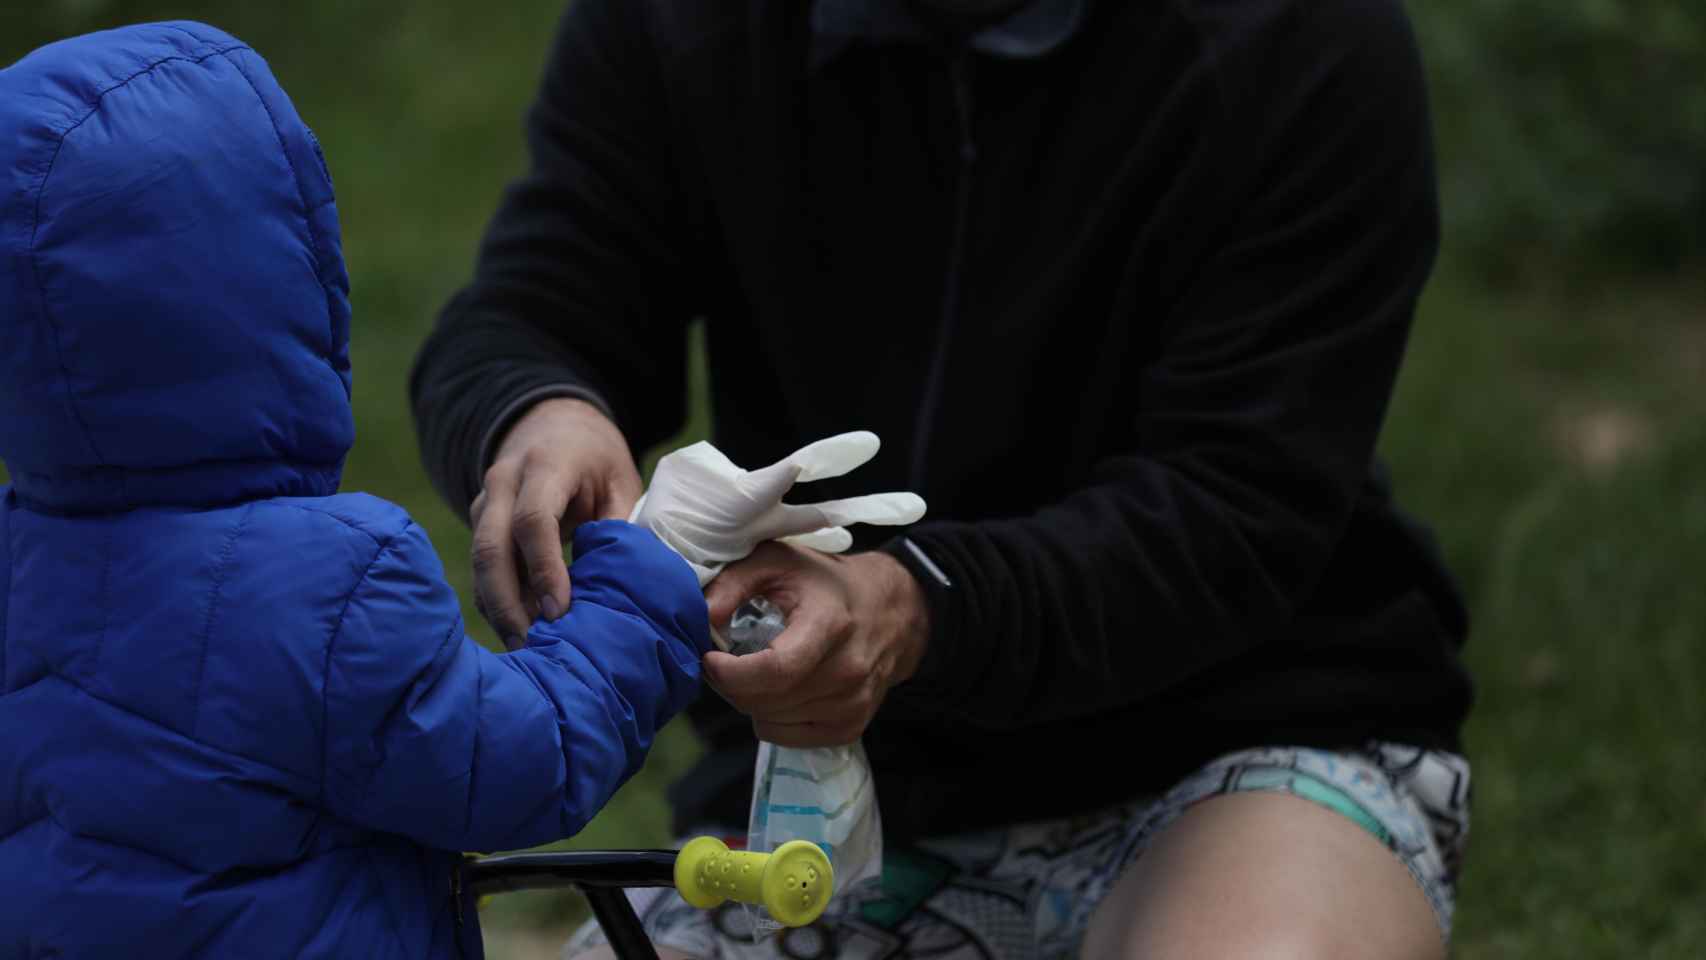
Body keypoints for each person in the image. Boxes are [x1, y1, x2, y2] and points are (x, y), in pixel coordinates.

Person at [410, 0, 1475, 956]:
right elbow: (535, 304)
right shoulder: (675, 28)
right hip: (825, 801)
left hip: (1238, 747)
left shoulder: (1301, 41)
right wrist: (536, 412)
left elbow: (1234, 510)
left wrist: (917, 608)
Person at [0, 22, 713, 959]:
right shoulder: (330, 588)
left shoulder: (19, 559)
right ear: (287, 277)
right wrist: (643, 586)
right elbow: (522, 761)